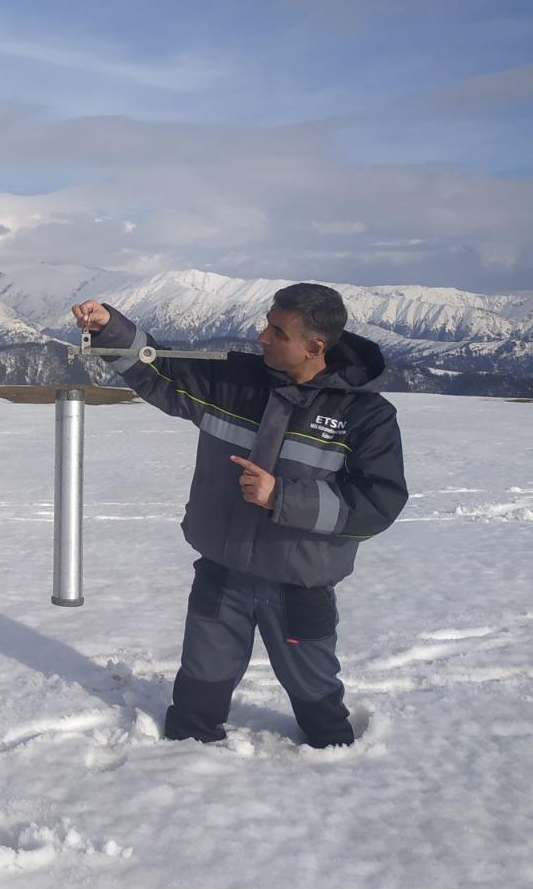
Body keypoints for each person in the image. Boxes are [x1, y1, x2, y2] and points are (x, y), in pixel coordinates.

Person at [72, 283, 406, 749]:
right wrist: (111, 328)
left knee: (316, 696)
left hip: (298, 580)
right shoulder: (237, 381)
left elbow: (379, 503)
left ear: (315, 346)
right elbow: (159, 372)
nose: (261, 337)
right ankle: (178, 770)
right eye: (266, 323)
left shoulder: (367, 417)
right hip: (223, 568)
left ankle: (337, 773)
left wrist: (282, 497)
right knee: (200, 687)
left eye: (277, 331)